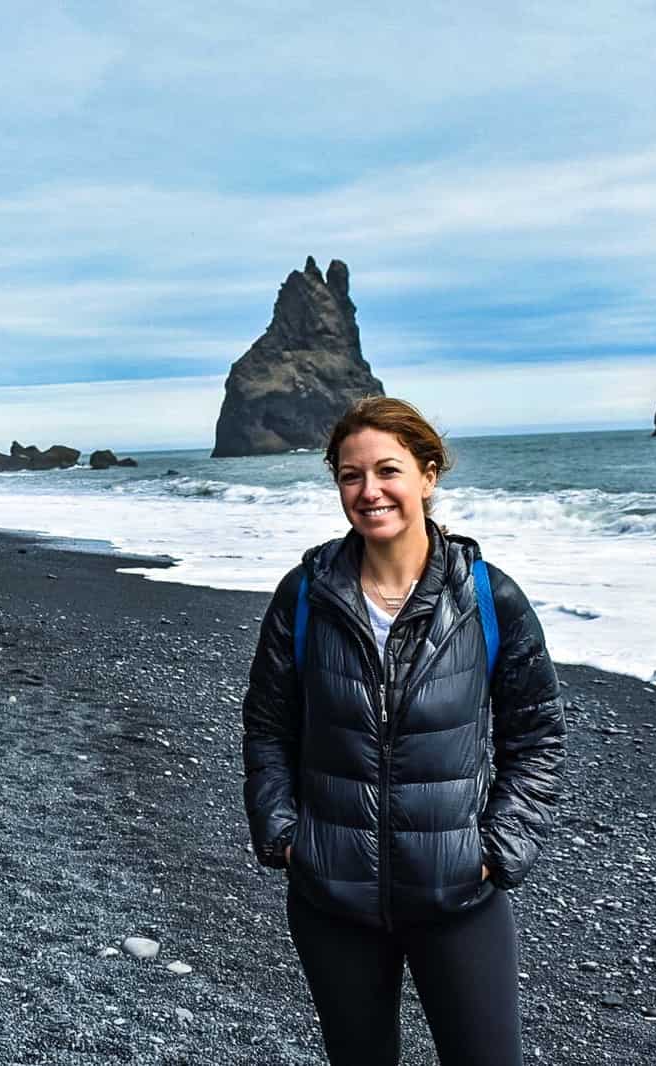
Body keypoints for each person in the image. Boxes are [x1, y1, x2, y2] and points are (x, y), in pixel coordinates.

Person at [241, 396, 566, 1065]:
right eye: (350, 476)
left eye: (387, 470)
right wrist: (282, 833)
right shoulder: (305, 596)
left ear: (427, 474)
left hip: (458, 894)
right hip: (332, 897)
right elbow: (268, 727)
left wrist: (497, 849)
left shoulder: (486, 598)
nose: (369, 491)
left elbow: (536, 736)